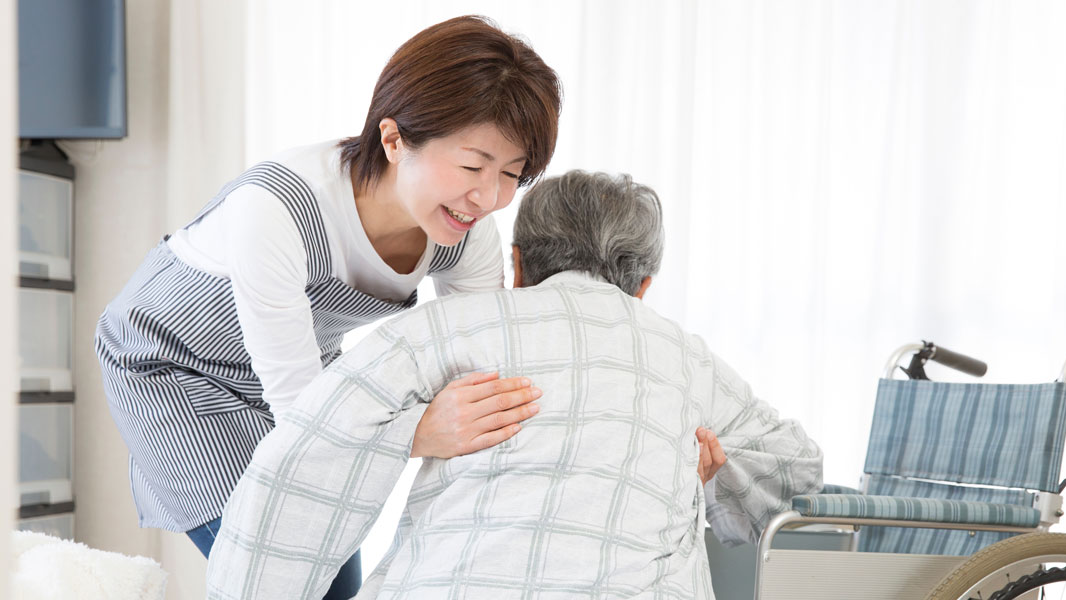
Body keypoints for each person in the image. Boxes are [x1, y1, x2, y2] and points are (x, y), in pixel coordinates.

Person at [94, 16, 561, 600]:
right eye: (472, 166)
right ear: (393, 139)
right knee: (288, 576)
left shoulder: (465, 232)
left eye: (511, 175)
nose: (488, 197)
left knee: (334, 573)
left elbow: (491, 366)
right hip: (171, 368)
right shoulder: (277, 208)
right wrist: (413, 432)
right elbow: (301, 415)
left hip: (303, 378)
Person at [206, 170, 824, 599]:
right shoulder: (681, 354)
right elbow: (796, 473)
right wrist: (711, 480)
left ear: (517, 265)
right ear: (644, 287)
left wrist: (405, 434)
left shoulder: (443, 328)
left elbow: (307, 450)